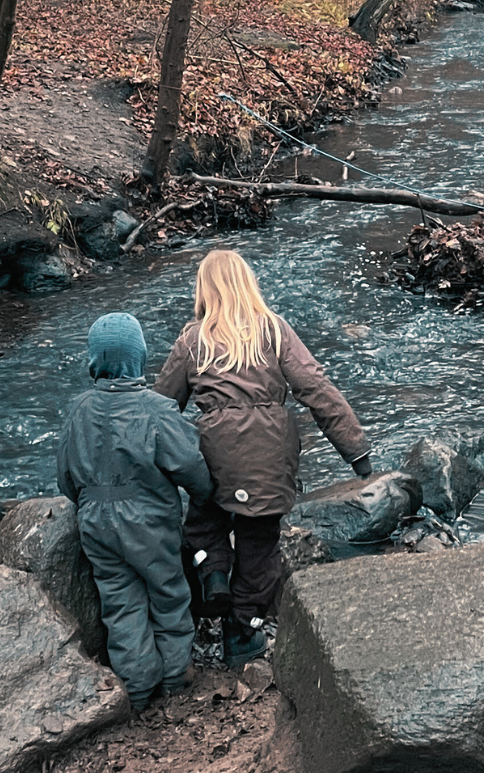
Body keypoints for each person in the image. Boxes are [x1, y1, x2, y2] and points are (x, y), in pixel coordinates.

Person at [155, 249, 372, 668]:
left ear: (205, 290)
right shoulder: (274, 331)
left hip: (213, 453)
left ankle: (214, 574)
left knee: (204, 521)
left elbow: (162, 407)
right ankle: (242, 632)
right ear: (248, 285)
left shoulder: (193, 339)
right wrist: (356, 452)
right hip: (270, 455)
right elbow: (316, 388)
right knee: (260, 543)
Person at [57, 312, 213, 712]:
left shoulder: (78, 409)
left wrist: (88, 503)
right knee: (168, 594)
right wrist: (204, 495)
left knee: (120, 603)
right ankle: (176, 675)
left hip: (95, 522)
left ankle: (139, 688)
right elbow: (190, 467)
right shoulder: (157, 409)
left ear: (94, 362)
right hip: (150, 523)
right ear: (141, 357)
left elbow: (65, 477)